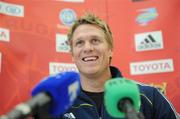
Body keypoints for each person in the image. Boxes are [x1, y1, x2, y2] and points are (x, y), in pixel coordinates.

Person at [35, 13, 179, 119]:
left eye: (95, 40)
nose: (88, 48)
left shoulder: (150, 96)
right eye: (79, 43)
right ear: (72, 54)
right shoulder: (58, 106)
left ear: (110, 50)